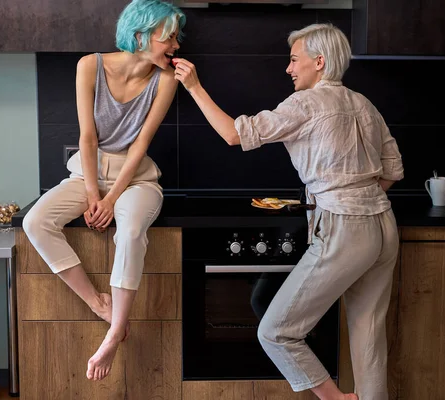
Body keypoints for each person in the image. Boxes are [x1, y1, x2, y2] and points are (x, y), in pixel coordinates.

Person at [173, 23, 404, 400]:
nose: (288, 68)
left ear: (320, 61)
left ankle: (336, 399)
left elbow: (235, 134)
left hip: (344, 227)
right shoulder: (364, 103)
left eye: (294, 59)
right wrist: (358, 197)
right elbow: (393, 169)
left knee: (276, 331)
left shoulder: (306, 103)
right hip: (382, 225)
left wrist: (195, 86)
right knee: (368, 336)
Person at [22, 0, 185, 382]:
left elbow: (142, 143)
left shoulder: (167, 79)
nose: (176, 46)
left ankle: (115, 332)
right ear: (142, 34)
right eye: (170, 38)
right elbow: (88, 137)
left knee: (129, 231)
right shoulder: (90, 65)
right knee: (36, 221)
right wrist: (95, 194)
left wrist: (112, 200)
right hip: (88, 172)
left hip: (137, 178)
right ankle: (98, 304)